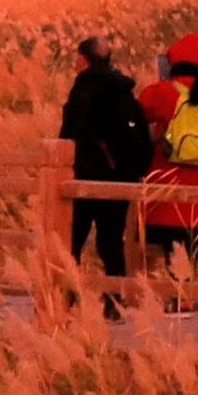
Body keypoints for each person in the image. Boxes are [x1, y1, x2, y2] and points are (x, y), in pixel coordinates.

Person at [60, 36, 151, 290]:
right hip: (119, 178)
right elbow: (142, 136)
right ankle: (115, 300)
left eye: (77, 57)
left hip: (86, 177)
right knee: (110, 242)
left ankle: (67, 296)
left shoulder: (83, 90)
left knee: (72, 241)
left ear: (84, 59)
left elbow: (69, 134)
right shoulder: (124, 91)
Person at [143, 35, 198, 272]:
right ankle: (184, 300)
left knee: (165, 259)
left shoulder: (161, 92)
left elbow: (141, 114)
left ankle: (173, 301)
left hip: (166, 191)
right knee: (188, 258)